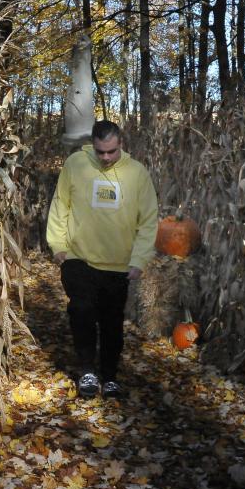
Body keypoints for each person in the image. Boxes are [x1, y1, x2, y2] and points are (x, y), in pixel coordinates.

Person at [46, 120, 158, 398]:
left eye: (111, 152)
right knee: (81, 312)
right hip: (78, 258)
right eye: (100, 152)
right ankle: (86, 371)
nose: (106, 158)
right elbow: (60, 204)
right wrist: (58, 245)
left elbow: (148, 221)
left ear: (121, 144)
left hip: (118, 264)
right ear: (92, 146)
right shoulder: (75, 164)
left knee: (112, 323)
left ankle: (109, 376)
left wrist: (139, 259)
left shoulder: (137, 174)